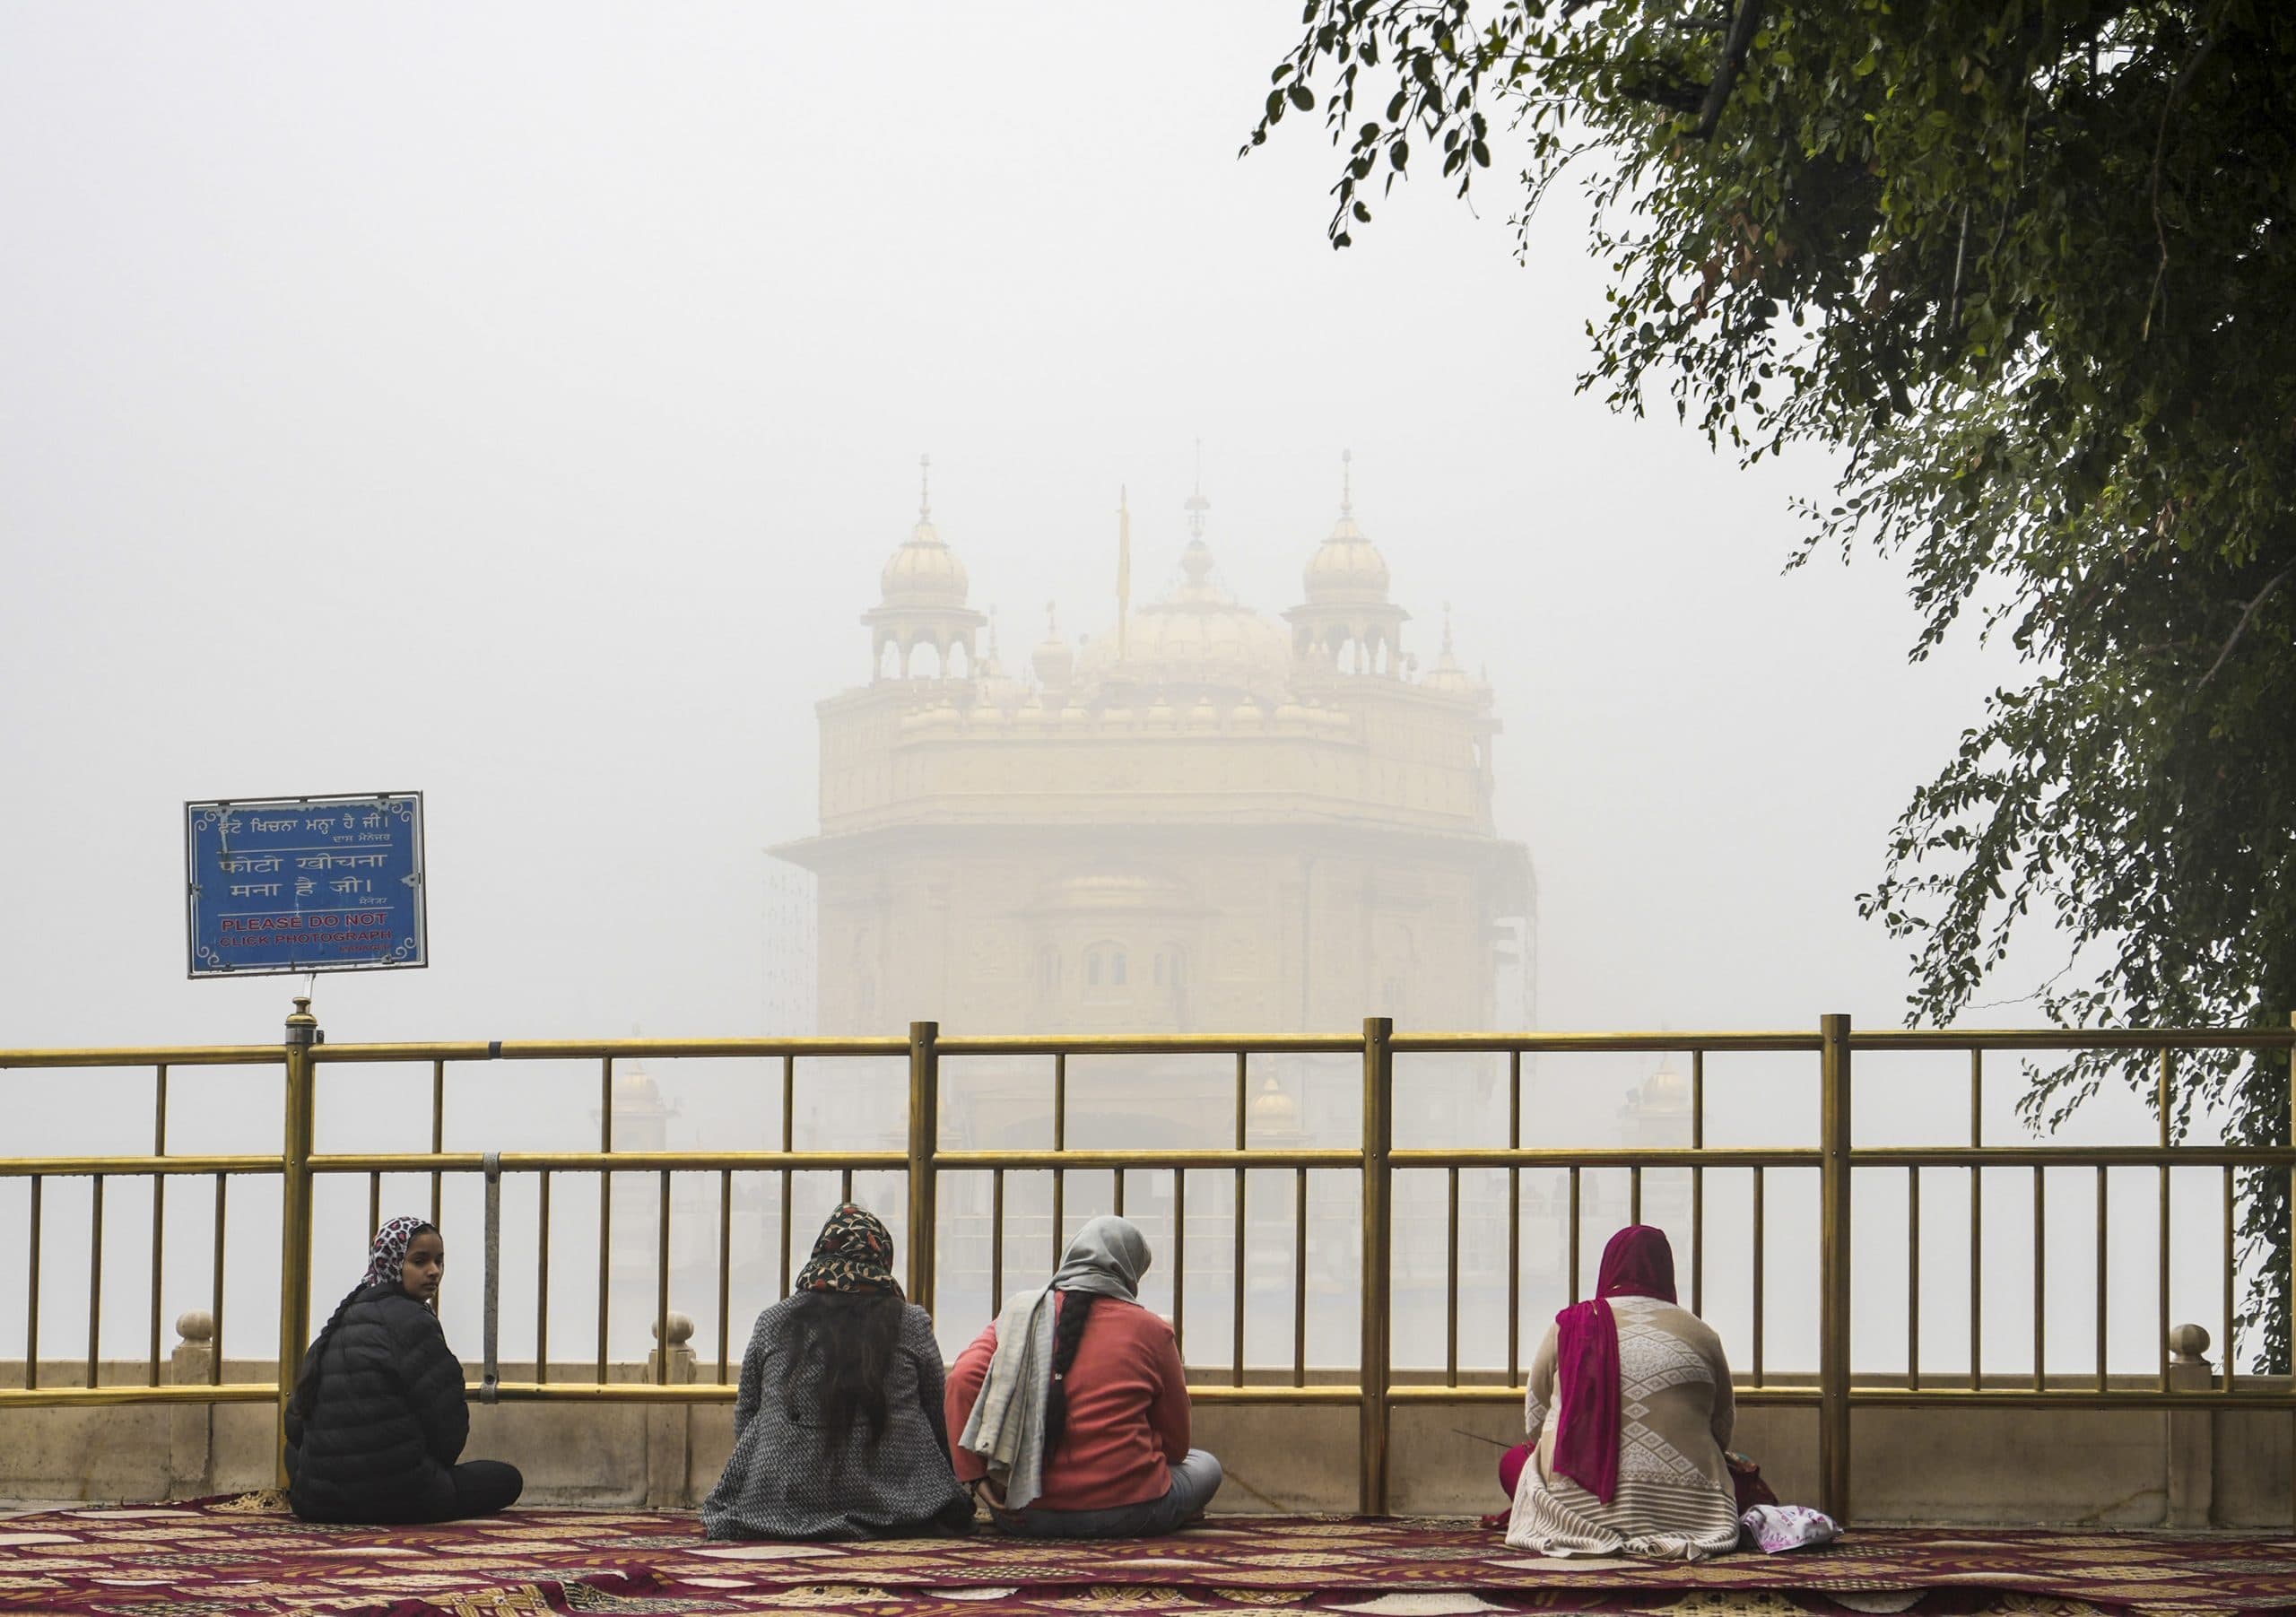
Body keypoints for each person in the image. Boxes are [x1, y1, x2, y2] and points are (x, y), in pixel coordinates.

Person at [704, 1204, 971, 1540]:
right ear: (882, 1258)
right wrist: (944, 1479)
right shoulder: (911, 1322)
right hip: (902, 1500)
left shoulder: (773, 1321)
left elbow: (748, 1412)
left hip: (780, 1500)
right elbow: (936, 1409)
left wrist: (759, 1473)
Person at [946, 1214, 1221, 1538]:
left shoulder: (1019, 1314)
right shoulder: (1152, 1330)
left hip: (1024, 1515)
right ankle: (1176, 1514)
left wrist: (976, 1478)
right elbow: (1176, 1449)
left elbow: (960, 1380)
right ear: (1130, 1269)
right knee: (1207, 1465)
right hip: (1132, 1512)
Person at [1502, 1225, 1740, 1560]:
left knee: (1515, 1462)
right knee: (1733, 1479)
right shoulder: (1703, 1334)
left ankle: (1577, 1523)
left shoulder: (1569, 1325)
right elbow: (1722, 1431)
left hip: (1575, 1508)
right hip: (1692, 1515)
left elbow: (1535, 1420)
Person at [285, 1215, 523, 1524]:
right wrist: (431, 1471)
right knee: (507, 1479)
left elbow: (295, 1422)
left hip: (318, 1503)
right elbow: (448, 1422)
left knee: (298, 1452)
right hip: (405, 1498)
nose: (433, 1271)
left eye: (439, 1261)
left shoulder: (340, 1319)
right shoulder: (413, 1322)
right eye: (420, 1261)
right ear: (393, 1262)